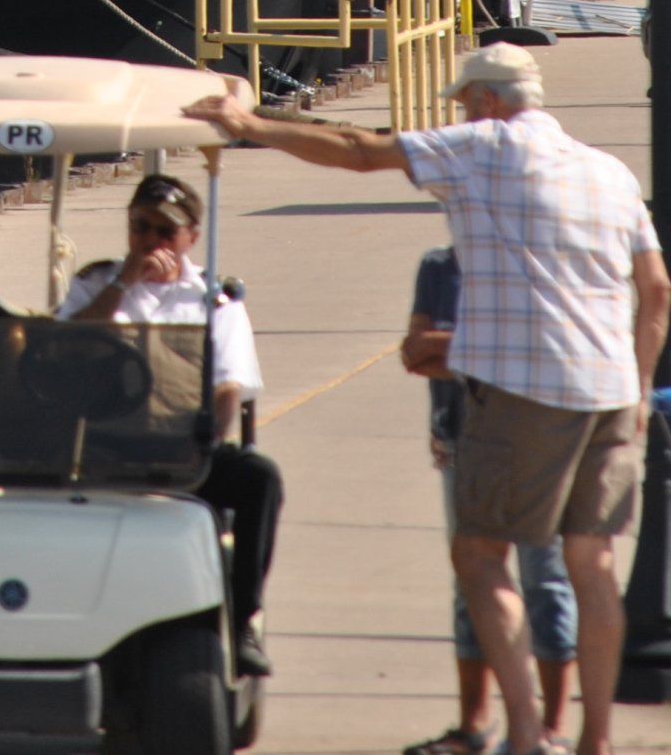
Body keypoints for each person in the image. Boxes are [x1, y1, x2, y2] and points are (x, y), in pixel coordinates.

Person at [190, 41, 670, 755]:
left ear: (485, 102)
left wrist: (249, 124)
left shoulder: (481, 147)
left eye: (464, 103)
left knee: (480, 557)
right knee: (592, 565)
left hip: (520, 392)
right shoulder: (609, 172)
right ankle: (594, 742)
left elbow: (357, 149)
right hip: (609, 395)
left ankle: (530, 737)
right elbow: (657, 291)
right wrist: (635, 389)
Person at [56, 168, 282, 674]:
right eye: (141, 228)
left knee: (259, 479)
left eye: (165, 232)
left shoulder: (214, 303)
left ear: (191, 238)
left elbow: (228, 385)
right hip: (98, 446)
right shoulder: (97, 285)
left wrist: (203, 444)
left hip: (180, 448)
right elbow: (60, 347)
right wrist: (123, 285)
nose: (151, 241)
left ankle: (244, 620)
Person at [401, 242, 576, 755]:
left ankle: (553, 727)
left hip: (535, 441)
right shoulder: (437, 266)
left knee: (545, 578)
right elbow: (414, 352)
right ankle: (474, 725)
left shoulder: (534, 258)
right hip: (459, 438)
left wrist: (450, 348)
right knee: (470, 583)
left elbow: (538, 348)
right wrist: (479, 352)